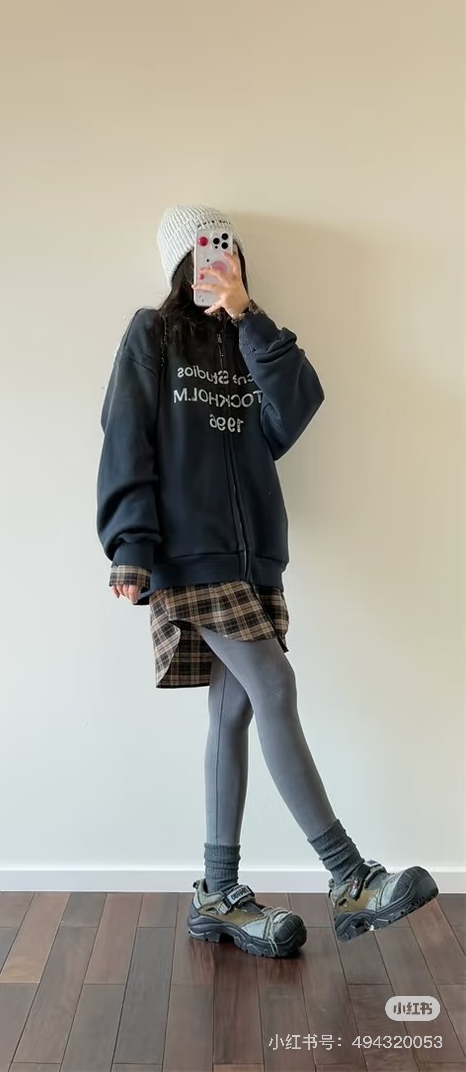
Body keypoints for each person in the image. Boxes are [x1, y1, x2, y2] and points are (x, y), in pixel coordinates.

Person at [96, 203, 438, 959]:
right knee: (274, 685)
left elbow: (295, 411)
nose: (217, 261)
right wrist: (130, 545)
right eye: (204, 252)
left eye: (228, 251)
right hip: (189, 552)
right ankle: (349, 875)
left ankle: (216, 896)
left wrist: (248, 316)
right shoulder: (153, 335)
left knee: (235, 712)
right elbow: (125, 433)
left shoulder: (251, 339)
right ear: (181, 264)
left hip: (253, 558)